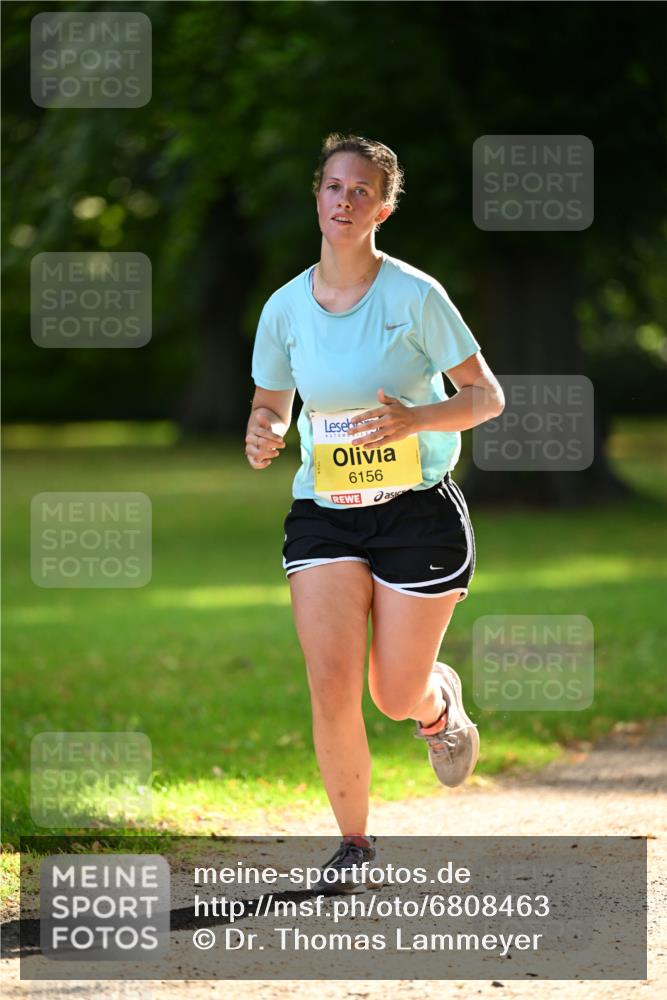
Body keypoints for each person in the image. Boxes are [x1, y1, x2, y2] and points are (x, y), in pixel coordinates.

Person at [246, 133, 504, 893]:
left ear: (382, 209)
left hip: (416, 513)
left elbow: (485, 397)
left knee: (392, 694)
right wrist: (264, 431)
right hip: (324, 512)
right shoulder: (284, 307)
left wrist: (415, 420)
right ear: (317, 197)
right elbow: (271, 403)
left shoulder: (415, 296)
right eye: (334, 186)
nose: (344, 200)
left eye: (362, 190)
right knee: (331, 682)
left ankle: (436, 706)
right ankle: (354, 846)